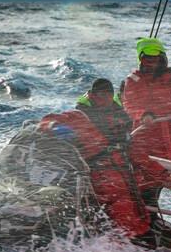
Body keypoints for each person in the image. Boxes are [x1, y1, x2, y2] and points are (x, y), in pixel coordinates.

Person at [39, 78, 149, 236]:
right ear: (91, 95)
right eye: (99, 94)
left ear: (112, 96)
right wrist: (54, 127)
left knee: (140, 204)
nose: (103, 98)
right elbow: (47, 120)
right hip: (97, 175)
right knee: (119, 211)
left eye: (107, 94)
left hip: (124, 173)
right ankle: (122, 244)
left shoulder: (121, 118)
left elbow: (135, 148)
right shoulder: (79, 116)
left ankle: (138, 239)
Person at [121, 37, 171, 206]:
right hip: (147, 138)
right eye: (148, 59)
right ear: (141, 59)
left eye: (155, 59)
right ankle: (150, 219)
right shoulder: (132, 81)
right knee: (148, 182)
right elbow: (129, 104)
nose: (152, 63)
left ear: (162, 58)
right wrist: (143, 115)